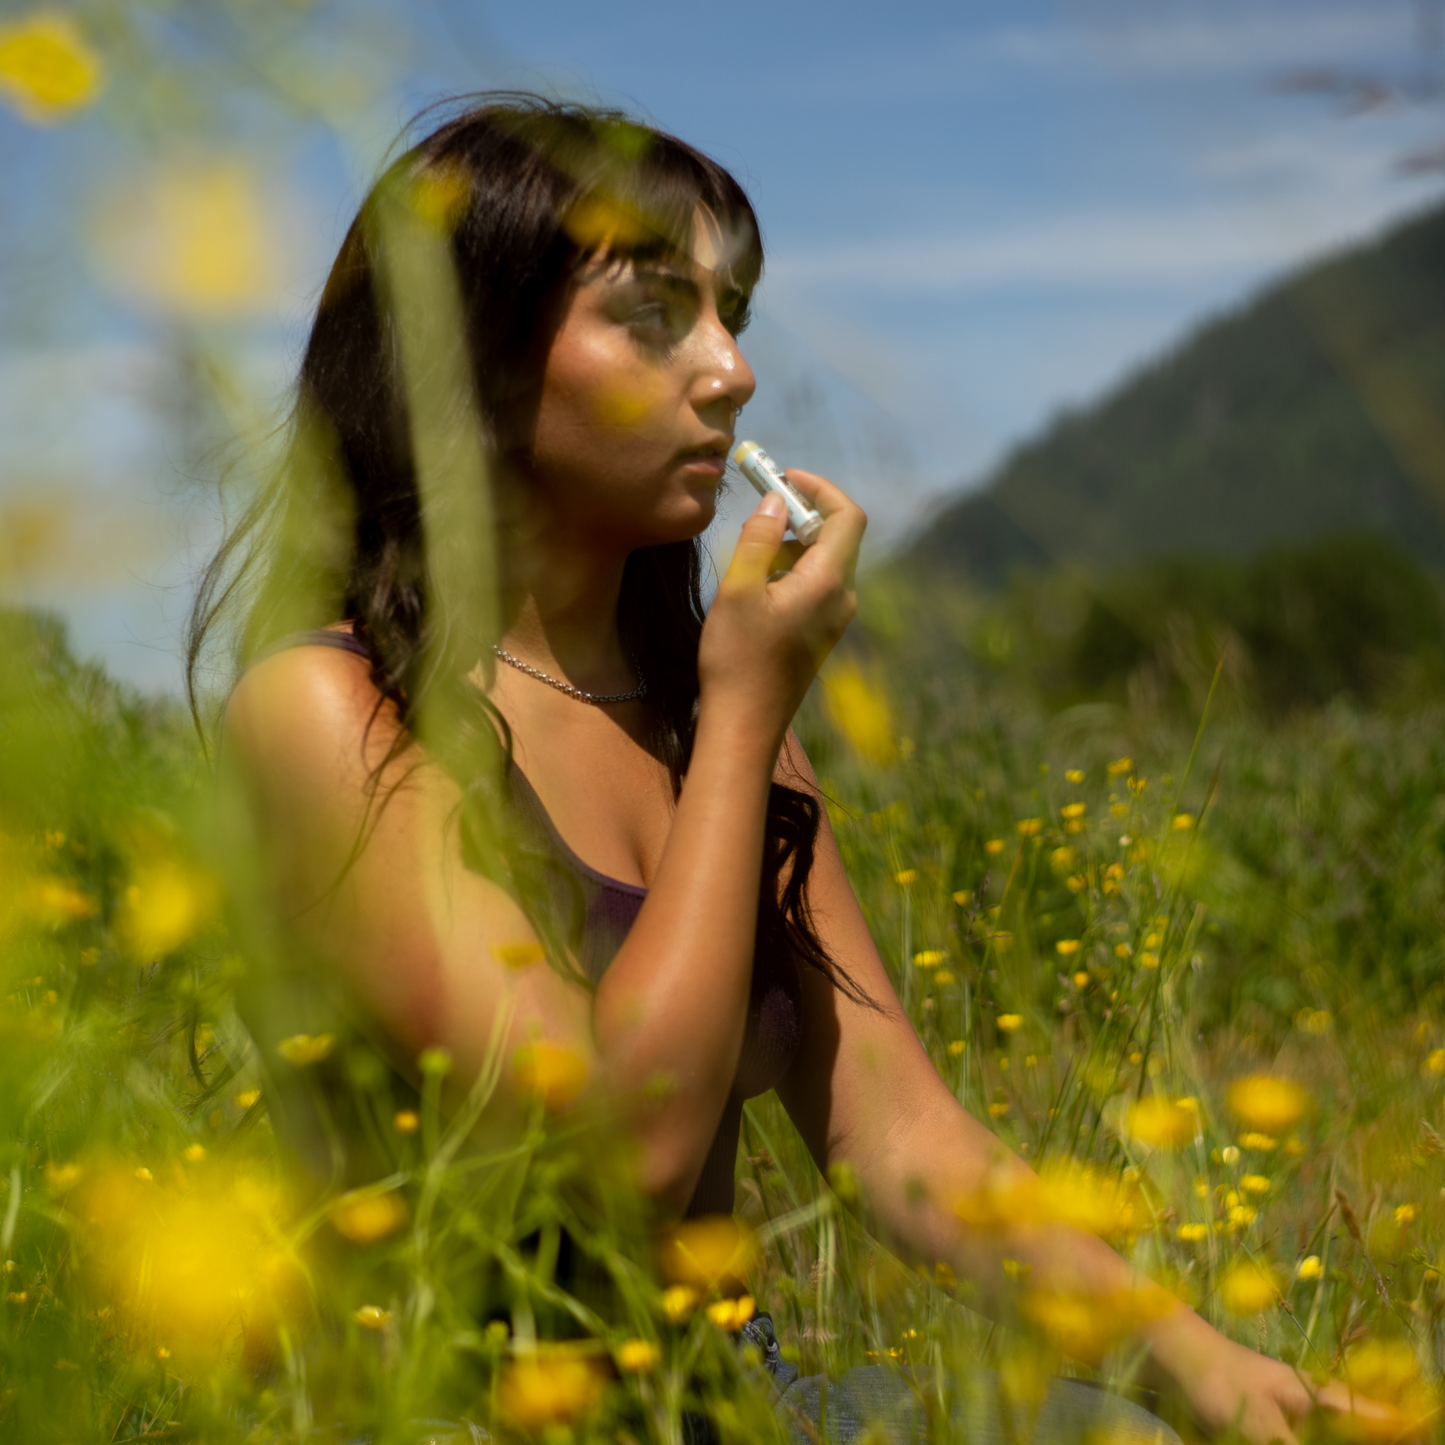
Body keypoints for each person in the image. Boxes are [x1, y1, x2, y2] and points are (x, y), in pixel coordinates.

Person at [194, 96, 1403, 1444]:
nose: (729, 371)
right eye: (655, 316)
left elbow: (899, 1138)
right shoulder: (331, 711)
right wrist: (748, 708)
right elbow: (616, 1164)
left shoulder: (708, 714)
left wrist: (1200, 1366)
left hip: (721, 1400)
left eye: (735, 314)